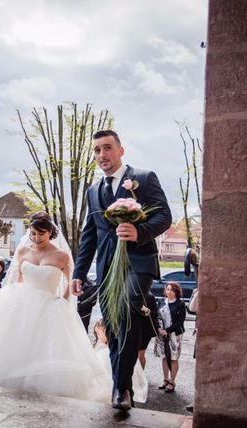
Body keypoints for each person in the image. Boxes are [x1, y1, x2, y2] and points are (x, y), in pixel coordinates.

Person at [0, 212, 111, 403]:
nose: (36, 238)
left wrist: (61, 300)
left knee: (43, 347)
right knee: (14, 344)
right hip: (22, 303)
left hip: (49, 307)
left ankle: (38, 388)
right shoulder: (23, 251)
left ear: (50, 232)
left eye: (40, 233)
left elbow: (69, 282)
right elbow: (17, 279)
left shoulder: (61, 256)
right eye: (32, 233)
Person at [72, 129, 171, 411]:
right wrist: (79, 273)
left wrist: (138, 231)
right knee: (114, 328)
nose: (102, 155)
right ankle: (121, 386)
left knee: (127, 310)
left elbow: (164, 215)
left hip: (139, 263)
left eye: (108, 148)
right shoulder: (93, 191)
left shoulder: (143, 178)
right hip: (106, 270)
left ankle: (122, 389)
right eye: (97, 150)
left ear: (120, 150)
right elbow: (89, 235)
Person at [92, 319, 147, 403]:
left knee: (103, 359)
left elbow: (106, 343)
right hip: (105, 348)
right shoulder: (101, 338)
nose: (98, 335)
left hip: (107, 351)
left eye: (99, 333)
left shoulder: (110, 338)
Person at [155, 282, 186, 393]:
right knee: (164, 356)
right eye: (167, 289)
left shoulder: (180, 304)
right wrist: (159, 329)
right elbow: (156, 316)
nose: (169, 291)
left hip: (174, 334)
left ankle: (172, 381)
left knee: (173, 358)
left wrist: (167, 331)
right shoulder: (161, 301)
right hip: (161, 334)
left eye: (172, 290)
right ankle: (165, 379)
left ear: (176, 292)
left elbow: (180, 321)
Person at [138, 292, 159, 370]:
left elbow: (155, 314)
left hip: (145, 331)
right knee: (132, 355)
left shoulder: (150, 296)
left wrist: (146, 310)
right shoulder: (131, 294)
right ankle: (133, 375)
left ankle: (141, 375)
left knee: (140, 355)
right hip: (132, 329)